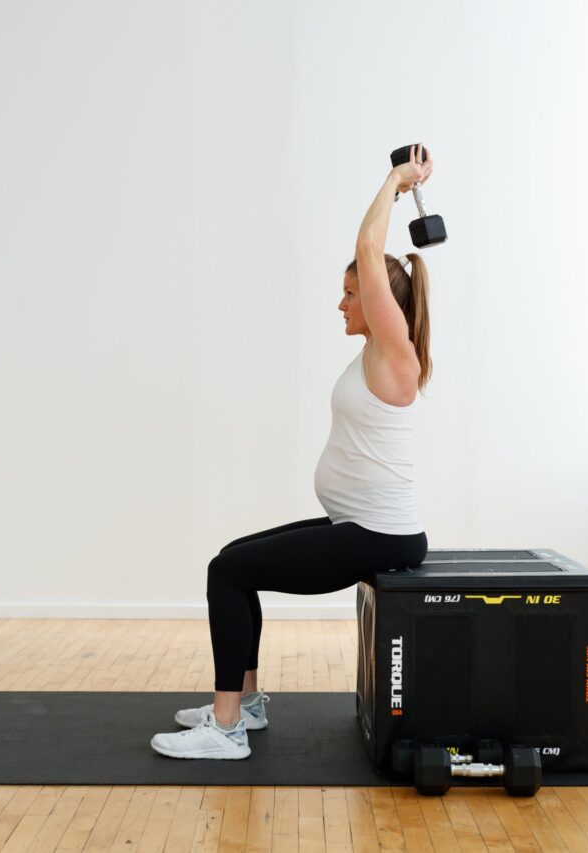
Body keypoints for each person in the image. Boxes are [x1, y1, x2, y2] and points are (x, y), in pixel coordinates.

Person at [151, 144, 434, 760]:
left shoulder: (396, 353)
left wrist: (396, 180)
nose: (341, 303)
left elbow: (368, 250)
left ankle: (225, 731)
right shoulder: (377, 354)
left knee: (227, 574)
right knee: (232, 562)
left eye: (349, 294)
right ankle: (244, 706)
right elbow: (366, 266)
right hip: (358, 525)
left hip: (378, 535)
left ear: (379, 303)